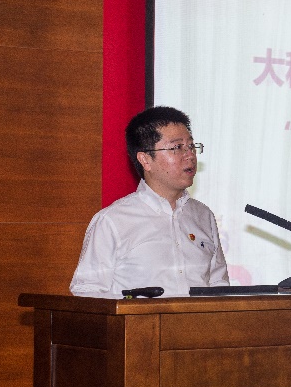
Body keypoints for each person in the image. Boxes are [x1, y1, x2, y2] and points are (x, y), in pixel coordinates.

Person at [70, 106, 229, 297]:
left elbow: (219, 284)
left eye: (191, 146)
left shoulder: (203, 216)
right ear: (145, 160)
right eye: (177, 147)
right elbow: (87, 291)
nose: (190, 155)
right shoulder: (112, 220)